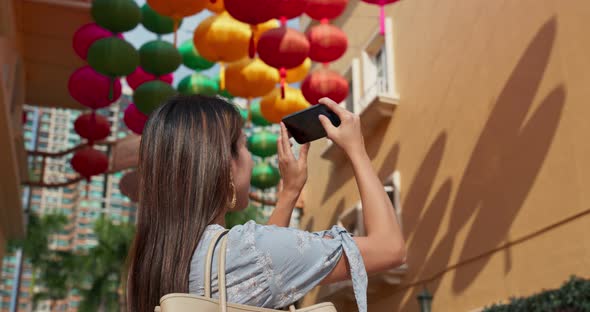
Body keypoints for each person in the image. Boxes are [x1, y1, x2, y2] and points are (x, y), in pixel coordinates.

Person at [126, 95, 406, 312]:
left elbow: (260, 276)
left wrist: (289, 194)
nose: (249, 157)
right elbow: (390, 248)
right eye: (244, 145)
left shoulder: (155, 258)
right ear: (224, 165)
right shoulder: (247, 249)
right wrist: (356, 149)